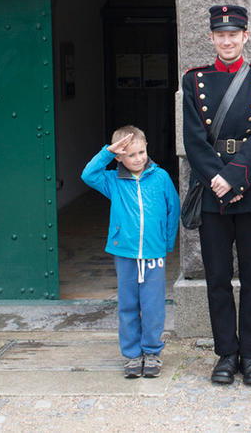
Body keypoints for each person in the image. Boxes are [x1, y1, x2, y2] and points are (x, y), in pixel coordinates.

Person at [182, 4, 251, 385]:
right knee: (218, 278)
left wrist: (236, 178)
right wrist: (217, 180)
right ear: (211, 37)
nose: (227, 40)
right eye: (220, 34)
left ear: (245, 35)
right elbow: (193, 139)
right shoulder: (194, 80)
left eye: (233, 34)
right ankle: (226, 353)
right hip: (211, 192)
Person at [81, 125, 179, 379]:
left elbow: (173, 210)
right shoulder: (112, 181)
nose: (138, 158)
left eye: (142, 152)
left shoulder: (161, 177)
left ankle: (152, 352)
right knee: (127, 304)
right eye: (131, 154)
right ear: (119, 157)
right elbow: (88, 175)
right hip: (124, 253)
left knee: (153, 305)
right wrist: (106, 152)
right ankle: (132, 355)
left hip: (153, 253)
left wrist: (166, 244)